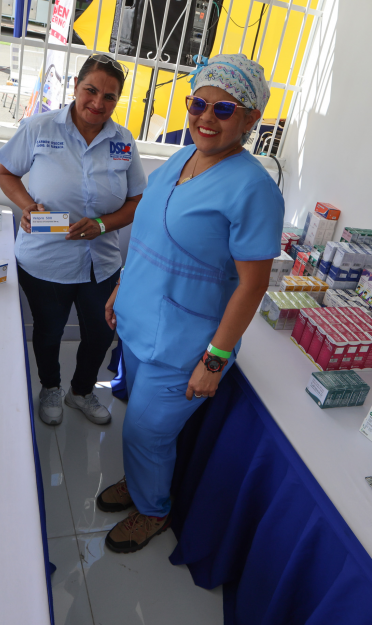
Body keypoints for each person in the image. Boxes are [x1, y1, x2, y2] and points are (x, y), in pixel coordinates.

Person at [99, 54, 284, 553]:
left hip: (186, 345)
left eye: (224, 110)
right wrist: (121, 288)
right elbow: (149, 237)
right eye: (198, 104)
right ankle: (141, 481)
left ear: (251, 119)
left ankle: (154, 510)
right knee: (139, 428)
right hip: (140, 323)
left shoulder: (255, 190)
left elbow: (252, 286)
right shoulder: (181, 159)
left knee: (147, 433)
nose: (206, 118)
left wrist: (215, 360)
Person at [0, 54, 146, 426]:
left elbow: (137, 201)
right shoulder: (40, 127)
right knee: (49, 331)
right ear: (75, 86)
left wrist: (102, 225)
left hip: (101, 261)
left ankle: (81, 391)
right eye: (90, 90)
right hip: (46, 258)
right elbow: (5, 174)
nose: (98, 103)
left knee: (101, 333)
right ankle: (50, 387)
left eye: (109, 97)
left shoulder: (123, 141)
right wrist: (27, 206)